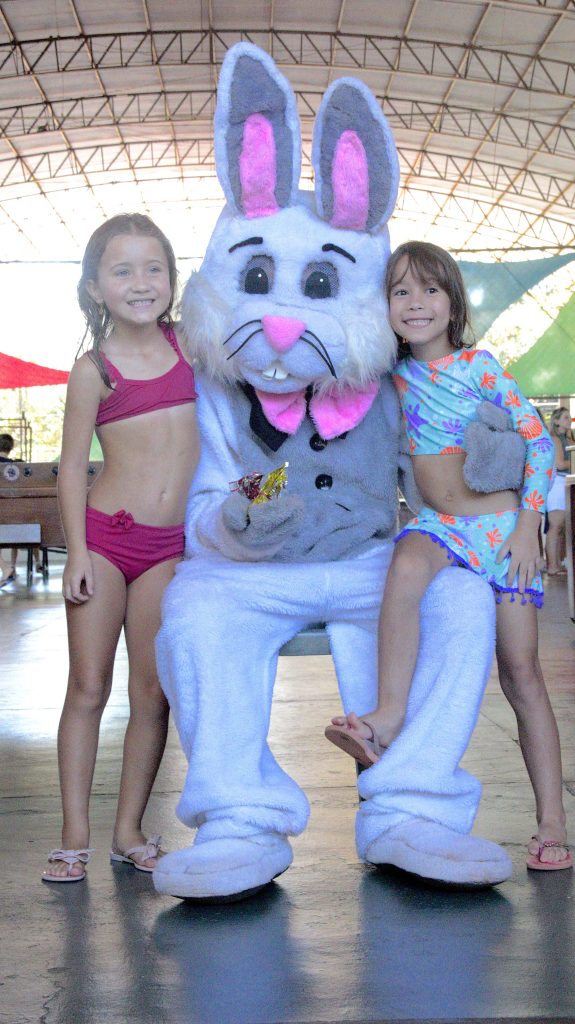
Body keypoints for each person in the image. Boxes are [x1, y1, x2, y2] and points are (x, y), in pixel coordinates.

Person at [326, 240, 571, 871]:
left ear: (453, 304)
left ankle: (551, 819)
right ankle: (387, 715)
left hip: (503, 532)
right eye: (400, 291)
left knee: (521, 675)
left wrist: (529, 525)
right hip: (442, 527)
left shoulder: (479, 367)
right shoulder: (390, 380)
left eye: (430, 289)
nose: (415, 303)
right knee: (406, 565)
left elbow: (540, 444)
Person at [42, 214, 200, 883]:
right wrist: (77, 553)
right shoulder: (94, 371)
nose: (141, 282)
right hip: (106, 540)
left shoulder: (193, 348)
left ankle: (128, 830)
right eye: (123, 270)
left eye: (153, 268)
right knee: (88, 686)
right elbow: (71, 468)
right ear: (95, 287)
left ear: (172, 278)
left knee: (152, 693)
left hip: (171, 548)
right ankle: (74, 833)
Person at [545, 407, 572, 575]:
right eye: (565, 417)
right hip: (557, 484)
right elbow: (560, 463)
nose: (569, 420)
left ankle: (557, 563)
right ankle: (552, 566)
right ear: (556, 421)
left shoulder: (567, 439)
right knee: (555, 526)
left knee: (561, 527)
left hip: (565, 483)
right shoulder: (555, 439)